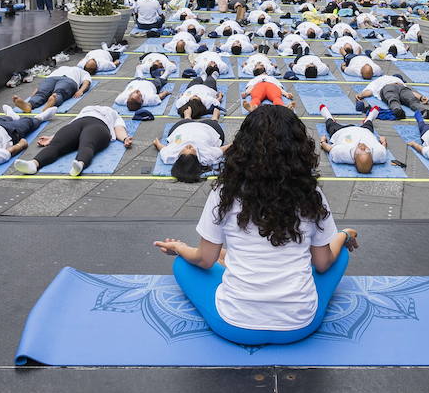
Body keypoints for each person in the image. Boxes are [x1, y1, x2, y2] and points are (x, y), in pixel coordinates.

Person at [153, 105, 360, 346]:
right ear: (299, 150)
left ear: (243, 148)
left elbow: (203, 260)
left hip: (234, 324)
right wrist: (344, 235)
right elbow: (323, 263)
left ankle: (229, 259)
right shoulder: (311, 194)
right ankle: (232, 259)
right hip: (298, 325)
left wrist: (178, 248)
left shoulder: (224, 193)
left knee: (183, 265)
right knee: (340, 253)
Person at [14, 103, 132, 176]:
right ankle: (33, 164)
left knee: (87, 143)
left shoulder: (114, 114)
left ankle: (79, 164)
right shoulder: (86, 109)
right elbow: (68, 128)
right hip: (77, 123)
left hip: (99, 125)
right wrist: (53, 137)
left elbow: (119, 128)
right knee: (56, 144)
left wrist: (125, 138)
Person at [153, 118, 228, 183]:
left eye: (185, 148)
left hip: (183, 126)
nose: (188, 146)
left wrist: (156, 142)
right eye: (191, 149)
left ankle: (187, 116)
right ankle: (214, 118)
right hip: (207, 127)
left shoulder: (169, 156)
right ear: (197, 158)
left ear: (179, 157)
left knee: (186, 120)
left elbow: (160, 147)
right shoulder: (207, 156)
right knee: (213, 122)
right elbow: (224, 148)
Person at [318, 106, 388, 174]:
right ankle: (369, 118)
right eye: (367, 150)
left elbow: (329, 148)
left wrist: (323, 141)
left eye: (361, 150)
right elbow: (383, 148)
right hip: (364, 131)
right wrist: (383, 141)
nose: (363, 147)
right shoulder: (379, 155)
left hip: (343, 131)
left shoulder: (341, 154)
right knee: (369, 125)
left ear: (354, 159)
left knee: (331, 125)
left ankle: (329, 117)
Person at [354, 73, 429, 120]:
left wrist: (360, 95)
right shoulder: (399, 80)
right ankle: (423, 111)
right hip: (401, 87)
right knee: (412, 100)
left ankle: (397, 110)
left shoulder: (378, 80)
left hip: (387, 87)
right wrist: (421, 97)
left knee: (392, 99)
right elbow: (412, 94)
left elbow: (369, 91)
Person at [13, 65, 91, 112]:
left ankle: (51, 102)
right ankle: (28, 105)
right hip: (52, 78)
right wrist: (38, 88)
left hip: (69, 80)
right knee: (42, 92)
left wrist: (81, 90)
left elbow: (86, 82)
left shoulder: (83, 72)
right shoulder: (63, 67)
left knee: (59, 92)